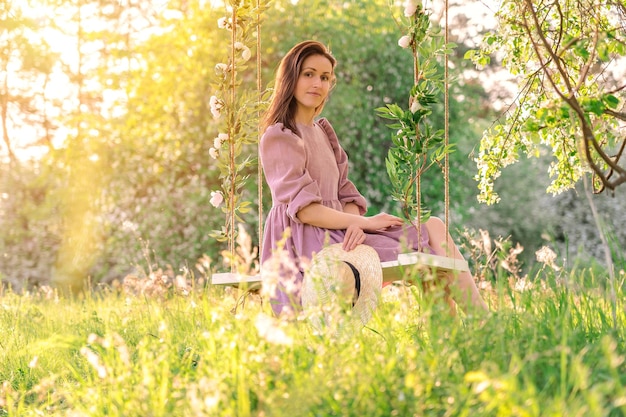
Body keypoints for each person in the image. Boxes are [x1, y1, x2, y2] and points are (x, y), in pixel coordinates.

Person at [259, 40, 488, 317]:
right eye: (309, 74)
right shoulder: (280, 136)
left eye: (325, 77)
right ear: (291, 78)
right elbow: (305, 210)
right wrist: (362, 222)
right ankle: (481, 326)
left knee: (433, 229)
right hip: (305, 239)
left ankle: (473, 328)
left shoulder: (322, 132)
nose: (317, 84)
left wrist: (355, 225)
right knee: (425, 252)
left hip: (339, 230)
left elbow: (346, 194)